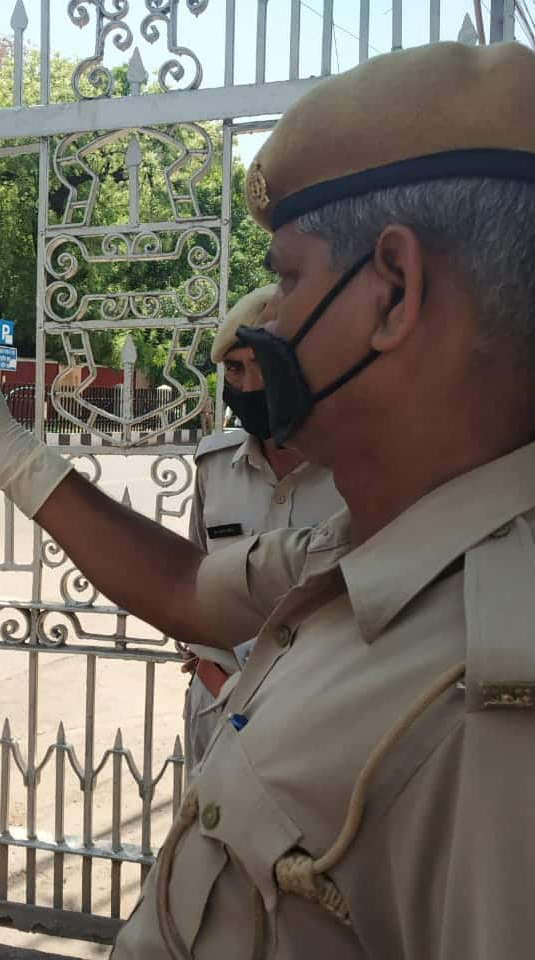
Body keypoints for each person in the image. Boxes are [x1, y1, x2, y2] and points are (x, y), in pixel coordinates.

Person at [0, 41, 535, 958]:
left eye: (286, 278)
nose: (264, 320)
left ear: (393, 291)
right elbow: (189, 585)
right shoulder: (368, 552)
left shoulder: (533, 734)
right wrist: (4, 446)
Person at [182, 285, 342, 778]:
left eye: (264, 367)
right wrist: (212, 677)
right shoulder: (215, 467)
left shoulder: (356, 473)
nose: (250, 385)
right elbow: (190, 582)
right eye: (234, 370)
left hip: (321, 718)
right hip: (217, 703)